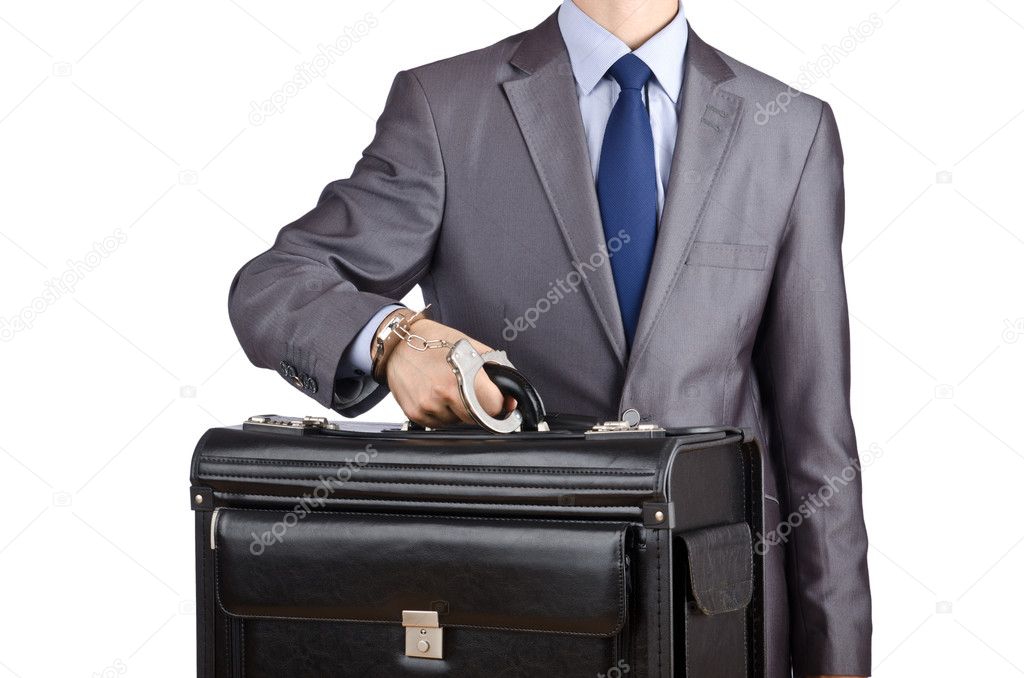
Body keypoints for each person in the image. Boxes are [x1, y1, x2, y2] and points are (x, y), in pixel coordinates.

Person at [228, 1, 872, 675]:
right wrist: (393, 339)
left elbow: (818, 442)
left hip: (718, 621)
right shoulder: (446, 106)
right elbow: (274, 287)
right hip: (510, 612)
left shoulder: (791, 128)